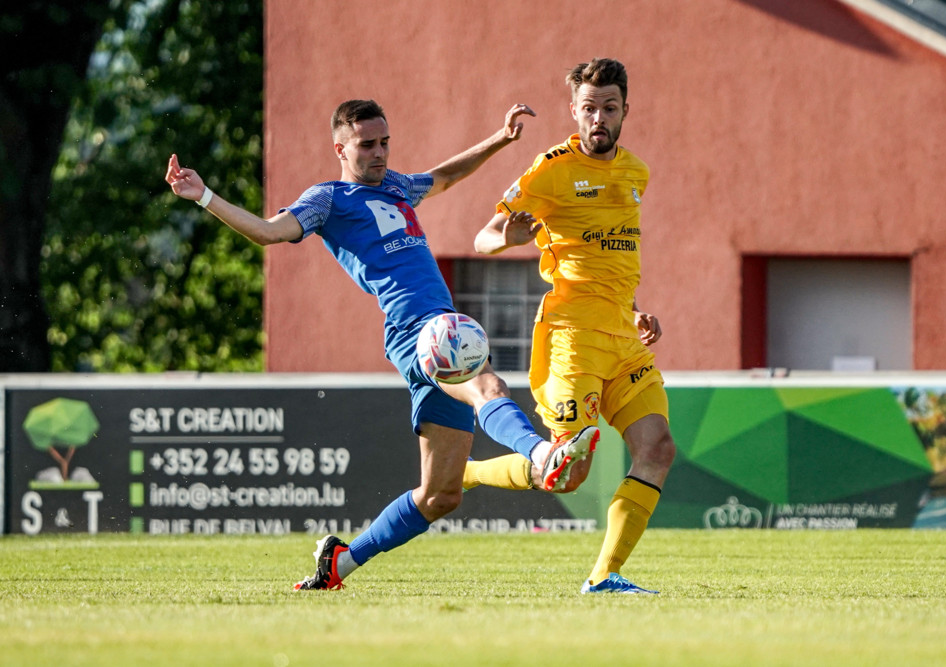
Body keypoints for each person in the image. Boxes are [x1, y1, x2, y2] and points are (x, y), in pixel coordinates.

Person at [164, 100, 598, 590]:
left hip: (434, 325)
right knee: (486, 382)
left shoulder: (394, 185)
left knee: (441, 497)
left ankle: (340, 563)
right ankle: (543, 455)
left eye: (385, 141)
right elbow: (267, 232)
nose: (380, 153)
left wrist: (499, 139)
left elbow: (443, 177)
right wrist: (204, 197)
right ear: (339, 148)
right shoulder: (327, 199)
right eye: (367, 144)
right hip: (417, 328)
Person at [463, 58, 677, 595]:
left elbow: (609, 261)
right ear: (574, 111)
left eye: (609, 108)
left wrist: (633, 311)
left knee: (658, 447)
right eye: (588, 109)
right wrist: (510, 239)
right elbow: (482, 239)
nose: (598, 118)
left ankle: (605, 577)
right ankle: (463, 473)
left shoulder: (635, 173)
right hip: (571, 339)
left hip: (623, 339)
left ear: (626, 109)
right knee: (565, 472)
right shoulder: (550, 169)